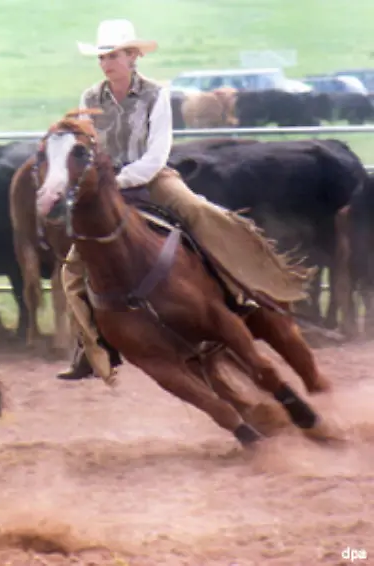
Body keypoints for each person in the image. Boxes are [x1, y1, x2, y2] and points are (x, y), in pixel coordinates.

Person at [56, 19, 314, 382]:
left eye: (113, 55)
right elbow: (91, 146)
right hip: (107, 186)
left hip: (152, 177)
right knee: (73, 266)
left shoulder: (154, 94)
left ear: (132, 56)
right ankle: (93, 345)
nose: (106, 62)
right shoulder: (90, 98)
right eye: (102, 56)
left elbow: (156, 153)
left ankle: (245, 287)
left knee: (198, 211)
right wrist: (100, 182)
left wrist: (119, 179)